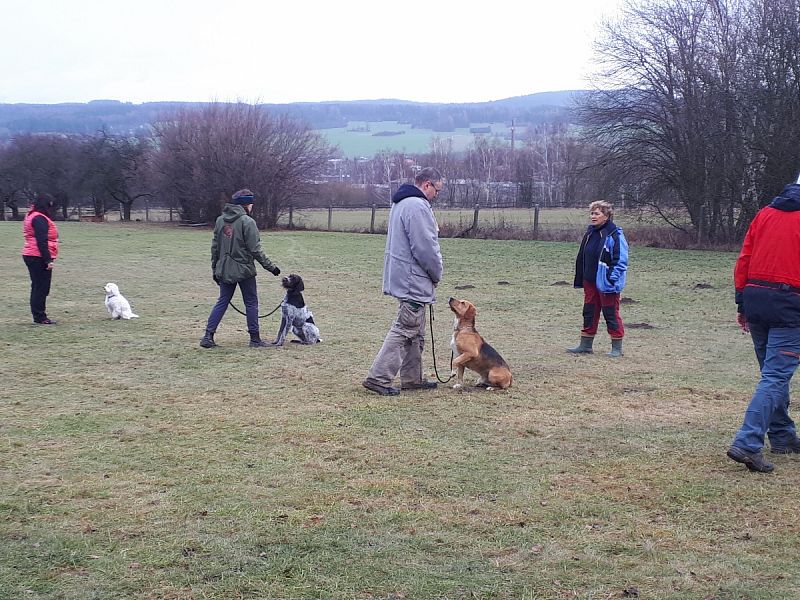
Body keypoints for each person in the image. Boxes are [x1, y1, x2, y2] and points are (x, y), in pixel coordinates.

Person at [727, 180, 800, 474]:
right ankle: (747, 443)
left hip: (757, 298)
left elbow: (744, 258)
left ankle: (782, 436)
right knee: (774, 376)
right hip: (790, 304)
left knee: (773, 375)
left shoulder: (765, 213)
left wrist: (742, 303)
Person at [362, 167, 445, 396]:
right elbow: (425, 247)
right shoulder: (417, 206)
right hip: (413, 279)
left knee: (416, 330)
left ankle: (412, 378)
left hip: (404, 276)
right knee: (405, 328)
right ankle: (378, 378)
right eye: (436, 190)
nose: (436, 195)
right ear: (427, 184)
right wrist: (436, 274)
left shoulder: (401, 203)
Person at [200, 189, 281, 349]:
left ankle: (208, 336)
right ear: (246, 204)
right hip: (244, 270)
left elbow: (215, 247)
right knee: (251, 303)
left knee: (222, 301)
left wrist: (215, 269)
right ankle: (255, 339)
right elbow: (255, 250)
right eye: (251, 203)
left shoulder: (220, 220)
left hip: (224, 269)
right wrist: (271, 268)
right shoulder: (247, 222)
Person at [567, 200, 628, 357]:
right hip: (590, 280)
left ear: (606, 216)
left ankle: (616, 348)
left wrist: (612, 279)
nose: (593, 216)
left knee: (610, 313)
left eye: (597, 213)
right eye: (592, 213)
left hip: (607, 283)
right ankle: (585, 345)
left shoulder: (615, 234)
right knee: (589, 311)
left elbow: (621, 260)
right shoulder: (590, 233)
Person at [22, 193, 60, 325]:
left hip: (33, 254)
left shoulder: (33, 215)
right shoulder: (39, 218)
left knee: (39, 286)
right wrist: (48, 260)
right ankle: (40, 317)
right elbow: (41, 241)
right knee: (41, 287)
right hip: (37, 255)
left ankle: (39, 315)